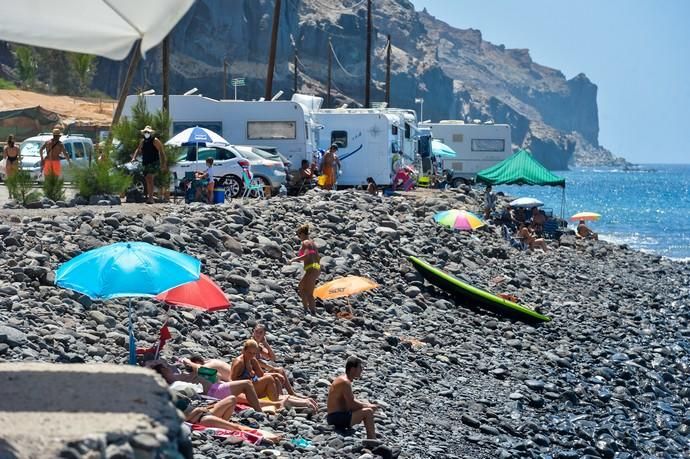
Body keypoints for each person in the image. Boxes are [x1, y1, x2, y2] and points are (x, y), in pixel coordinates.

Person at [183, 353, 316, 412]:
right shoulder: (217, 362)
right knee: (271, 390)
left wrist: (189, 364)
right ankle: (302, 402)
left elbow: (203, 371)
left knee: (267, 396)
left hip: (245, 385)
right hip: (247, 382)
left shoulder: (210, 366)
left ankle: (301, 402)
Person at [146, 359, 264, 412]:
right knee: (247, 384)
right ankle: (259, 411)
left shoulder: (174, 378)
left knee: (245, 387)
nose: (168, 367)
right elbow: (150, 365)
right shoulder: (173, 379)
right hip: (215, 392)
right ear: (162, 372)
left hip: (215, 389)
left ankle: (259, 407)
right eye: (165, 367)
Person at [327, 356, 378, 439]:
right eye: (360, 368)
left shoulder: (343, 379)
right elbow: (351, 404)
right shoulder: (345, 382)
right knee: (368, 412)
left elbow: (350, 401)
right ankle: (372, 440)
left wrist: (365, 404)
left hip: (336, 416)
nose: (361, 370)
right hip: (336, 417)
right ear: (353, 369)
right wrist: (368, 406)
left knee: (365, 406)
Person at [251, 324, 297, 396]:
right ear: (253, 332)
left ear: (264, 335)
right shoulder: (251, 344)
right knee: (277, 376)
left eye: (260, 333)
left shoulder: (258, 346)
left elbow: (272, 358)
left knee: (280, 370)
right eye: (256, 331)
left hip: (258, 372)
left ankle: (291, 393)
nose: (258, 334)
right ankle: (282, 397)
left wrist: (265, 343)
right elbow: (254, 361)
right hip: (252, 376)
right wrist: (269, 367)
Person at [289, 224, 321, 314]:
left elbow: (306, 255)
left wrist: (293, 259)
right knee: (305, 289)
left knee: (304, 289)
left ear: (302, 234)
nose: (299, 237)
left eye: (299, 235)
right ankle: (310, 310)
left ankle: (307, 310)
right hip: (316, 268)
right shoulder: (312, 243)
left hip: (311, 268)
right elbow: (314, 255)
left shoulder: (305, 242)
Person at [131, 125, 167, 204]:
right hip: (145, 162)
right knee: (147, 179)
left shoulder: (155, 140)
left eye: (148, 132)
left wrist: (163, 163)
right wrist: (134, 157)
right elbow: (138, 149)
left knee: (150, 178)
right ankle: (149, 197)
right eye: (145, 132)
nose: (146, 133)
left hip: (154, 162)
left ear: (151, 133)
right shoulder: (143, 141)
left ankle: (151, 198)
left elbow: (161, 151)